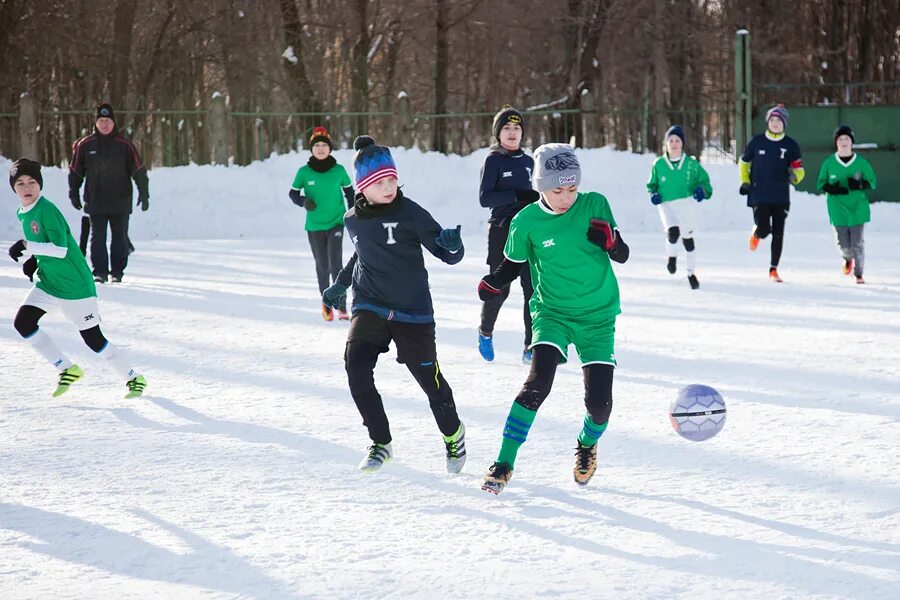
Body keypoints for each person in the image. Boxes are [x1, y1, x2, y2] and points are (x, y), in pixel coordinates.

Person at [478, 144, 629, 495]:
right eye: (557, 190)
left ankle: (587, 443)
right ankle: (504, 462)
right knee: (537, 382)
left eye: (572, 189)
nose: (566, 198)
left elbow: (622, 254)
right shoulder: (526, 220)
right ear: (540, 186)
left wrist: (612, 243)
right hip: (552, 312)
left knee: (600, 405)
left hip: (598, 315)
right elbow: (513, 264)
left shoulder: (595, 204)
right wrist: (494, 282)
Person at [322, 136, 467, 474]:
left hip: (413, 313)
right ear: (363, 186)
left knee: (430, 382)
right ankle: (380, 442)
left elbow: (446, 253)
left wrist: (454, 246)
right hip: (370, 305)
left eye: (392, 179)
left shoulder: (410, 212)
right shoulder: (352, 219)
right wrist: (340, 285)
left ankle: (453, 433)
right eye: (380, 182)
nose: (389, 186)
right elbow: (361, 254)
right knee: (355, 365)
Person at [8, 158, 147, 398]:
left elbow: (61, 249)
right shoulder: (23, 211)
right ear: (14, 188)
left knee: (93, 339)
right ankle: (67, 369)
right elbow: (45, 244)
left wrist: (27, 246)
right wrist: (35, 261)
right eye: (20, 183)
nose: (26, 187)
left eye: (32, 182)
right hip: (49, 282)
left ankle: (134, 378)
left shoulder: (47, 210)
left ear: (40, 185)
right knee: (24, 323)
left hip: (75, 285)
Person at [477, 106, 537, 363]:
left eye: (517, 128)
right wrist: (516, 196)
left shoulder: (528, 162)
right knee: (500, 288)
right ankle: (485, 331)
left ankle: (530, 345)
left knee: (532, 289)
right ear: (498, 133)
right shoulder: (493, 160)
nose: (512, 133)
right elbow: (484, 198)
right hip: (502, 230)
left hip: (528, 231)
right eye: (507, 128)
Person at [69, 103, 149, 283]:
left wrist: (144, 193)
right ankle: (100, 272)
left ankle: (117, 272)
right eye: (101, 120)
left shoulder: (125, 145)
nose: (104, 124)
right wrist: (73, 192)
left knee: (119, 238)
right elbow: (75, 171)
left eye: (108, 120)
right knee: (97, 238)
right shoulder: (85, 145)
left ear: (114, 122)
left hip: (120, 201)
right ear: (96, 123)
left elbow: (139, 171)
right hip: (95, 201)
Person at [289, 126, 355, 320]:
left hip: (336, 222)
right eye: (316, 145)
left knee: (336, 264)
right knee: (322, 265)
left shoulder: (339, 170)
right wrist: (303, 201)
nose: (320, 148)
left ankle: (341, 305)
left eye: (323, 145)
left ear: (329, 148)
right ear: (311, 149)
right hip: (314, 225)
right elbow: (292, 193)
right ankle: (326, 303)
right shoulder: (304, 172)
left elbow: (350, 193)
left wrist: (352, 214)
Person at [738, 104, 804, 283]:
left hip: (781, 195)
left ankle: (773, 269)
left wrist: (796, 176)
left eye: (779, 120)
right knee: (765, 229)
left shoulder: (790, 145)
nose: (775, 123)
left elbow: (799, 169)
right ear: (768, 122)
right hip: (759, 194)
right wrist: (745, 182)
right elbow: (744, 163)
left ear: (784, 123)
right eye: (772, 120)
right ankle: (757, 234)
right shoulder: (757, 141)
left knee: (779, 232)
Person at [646, 125, 713, 289]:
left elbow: (706, 184)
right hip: (666, 204)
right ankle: (672, 256)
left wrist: (701, 191)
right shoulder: (659, 164)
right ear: (666, 143)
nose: (674, 143)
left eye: (677, 140)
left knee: (688, 241)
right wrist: (654, 194)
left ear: (682, 143)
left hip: (685, 204)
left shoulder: (691, 164)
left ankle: (691, 273)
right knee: (673, 232)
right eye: (671, 140)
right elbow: (651, 185)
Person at [815, 125, 877, 284]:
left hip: (858, 208)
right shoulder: (829, 163)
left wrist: (860, 185)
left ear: (852, 142)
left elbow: (872, 182)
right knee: (843, 244)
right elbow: (821, 183)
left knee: (857, 243)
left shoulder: (861, 163)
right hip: (838, 209)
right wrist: (832, 188)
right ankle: (847, 259)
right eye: (840, 139)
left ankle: (859, 273)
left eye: (847, 139)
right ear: (836, 142)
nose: (844, 142)